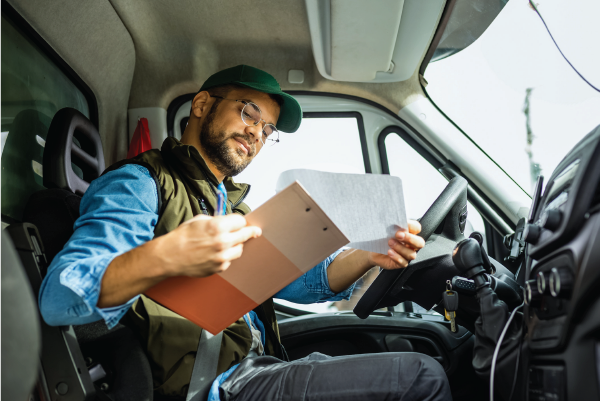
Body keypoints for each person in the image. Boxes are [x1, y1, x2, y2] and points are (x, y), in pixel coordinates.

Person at [39, 65, 451, 401]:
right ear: (202, 104)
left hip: (261, 365)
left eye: (268, 130)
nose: (257, 133)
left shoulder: (235, 207)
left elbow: (307, 281)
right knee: (421, 376)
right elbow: (60, 297)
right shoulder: (141, 183)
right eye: (249, 113)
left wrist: (370, 255)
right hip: (219, 386)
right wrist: (166, 255)